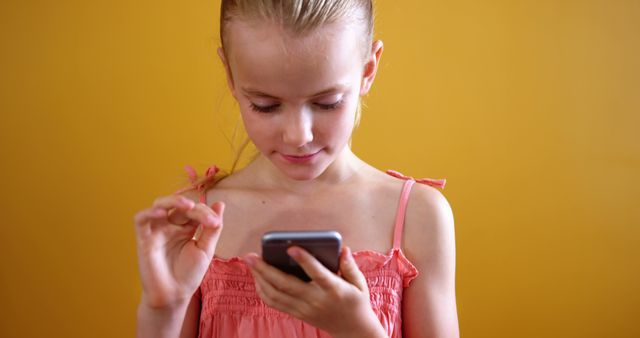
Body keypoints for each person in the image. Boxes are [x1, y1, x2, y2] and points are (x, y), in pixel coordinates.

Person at [134, 1, 459, 337]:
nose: (298, 136)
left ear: (367, 71)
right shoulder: (194, 222)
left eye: (326, 103)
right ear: (231, 77)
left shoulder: (418, 217)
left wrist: (360, 331)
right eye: (265, 105)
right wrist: (162, 310)